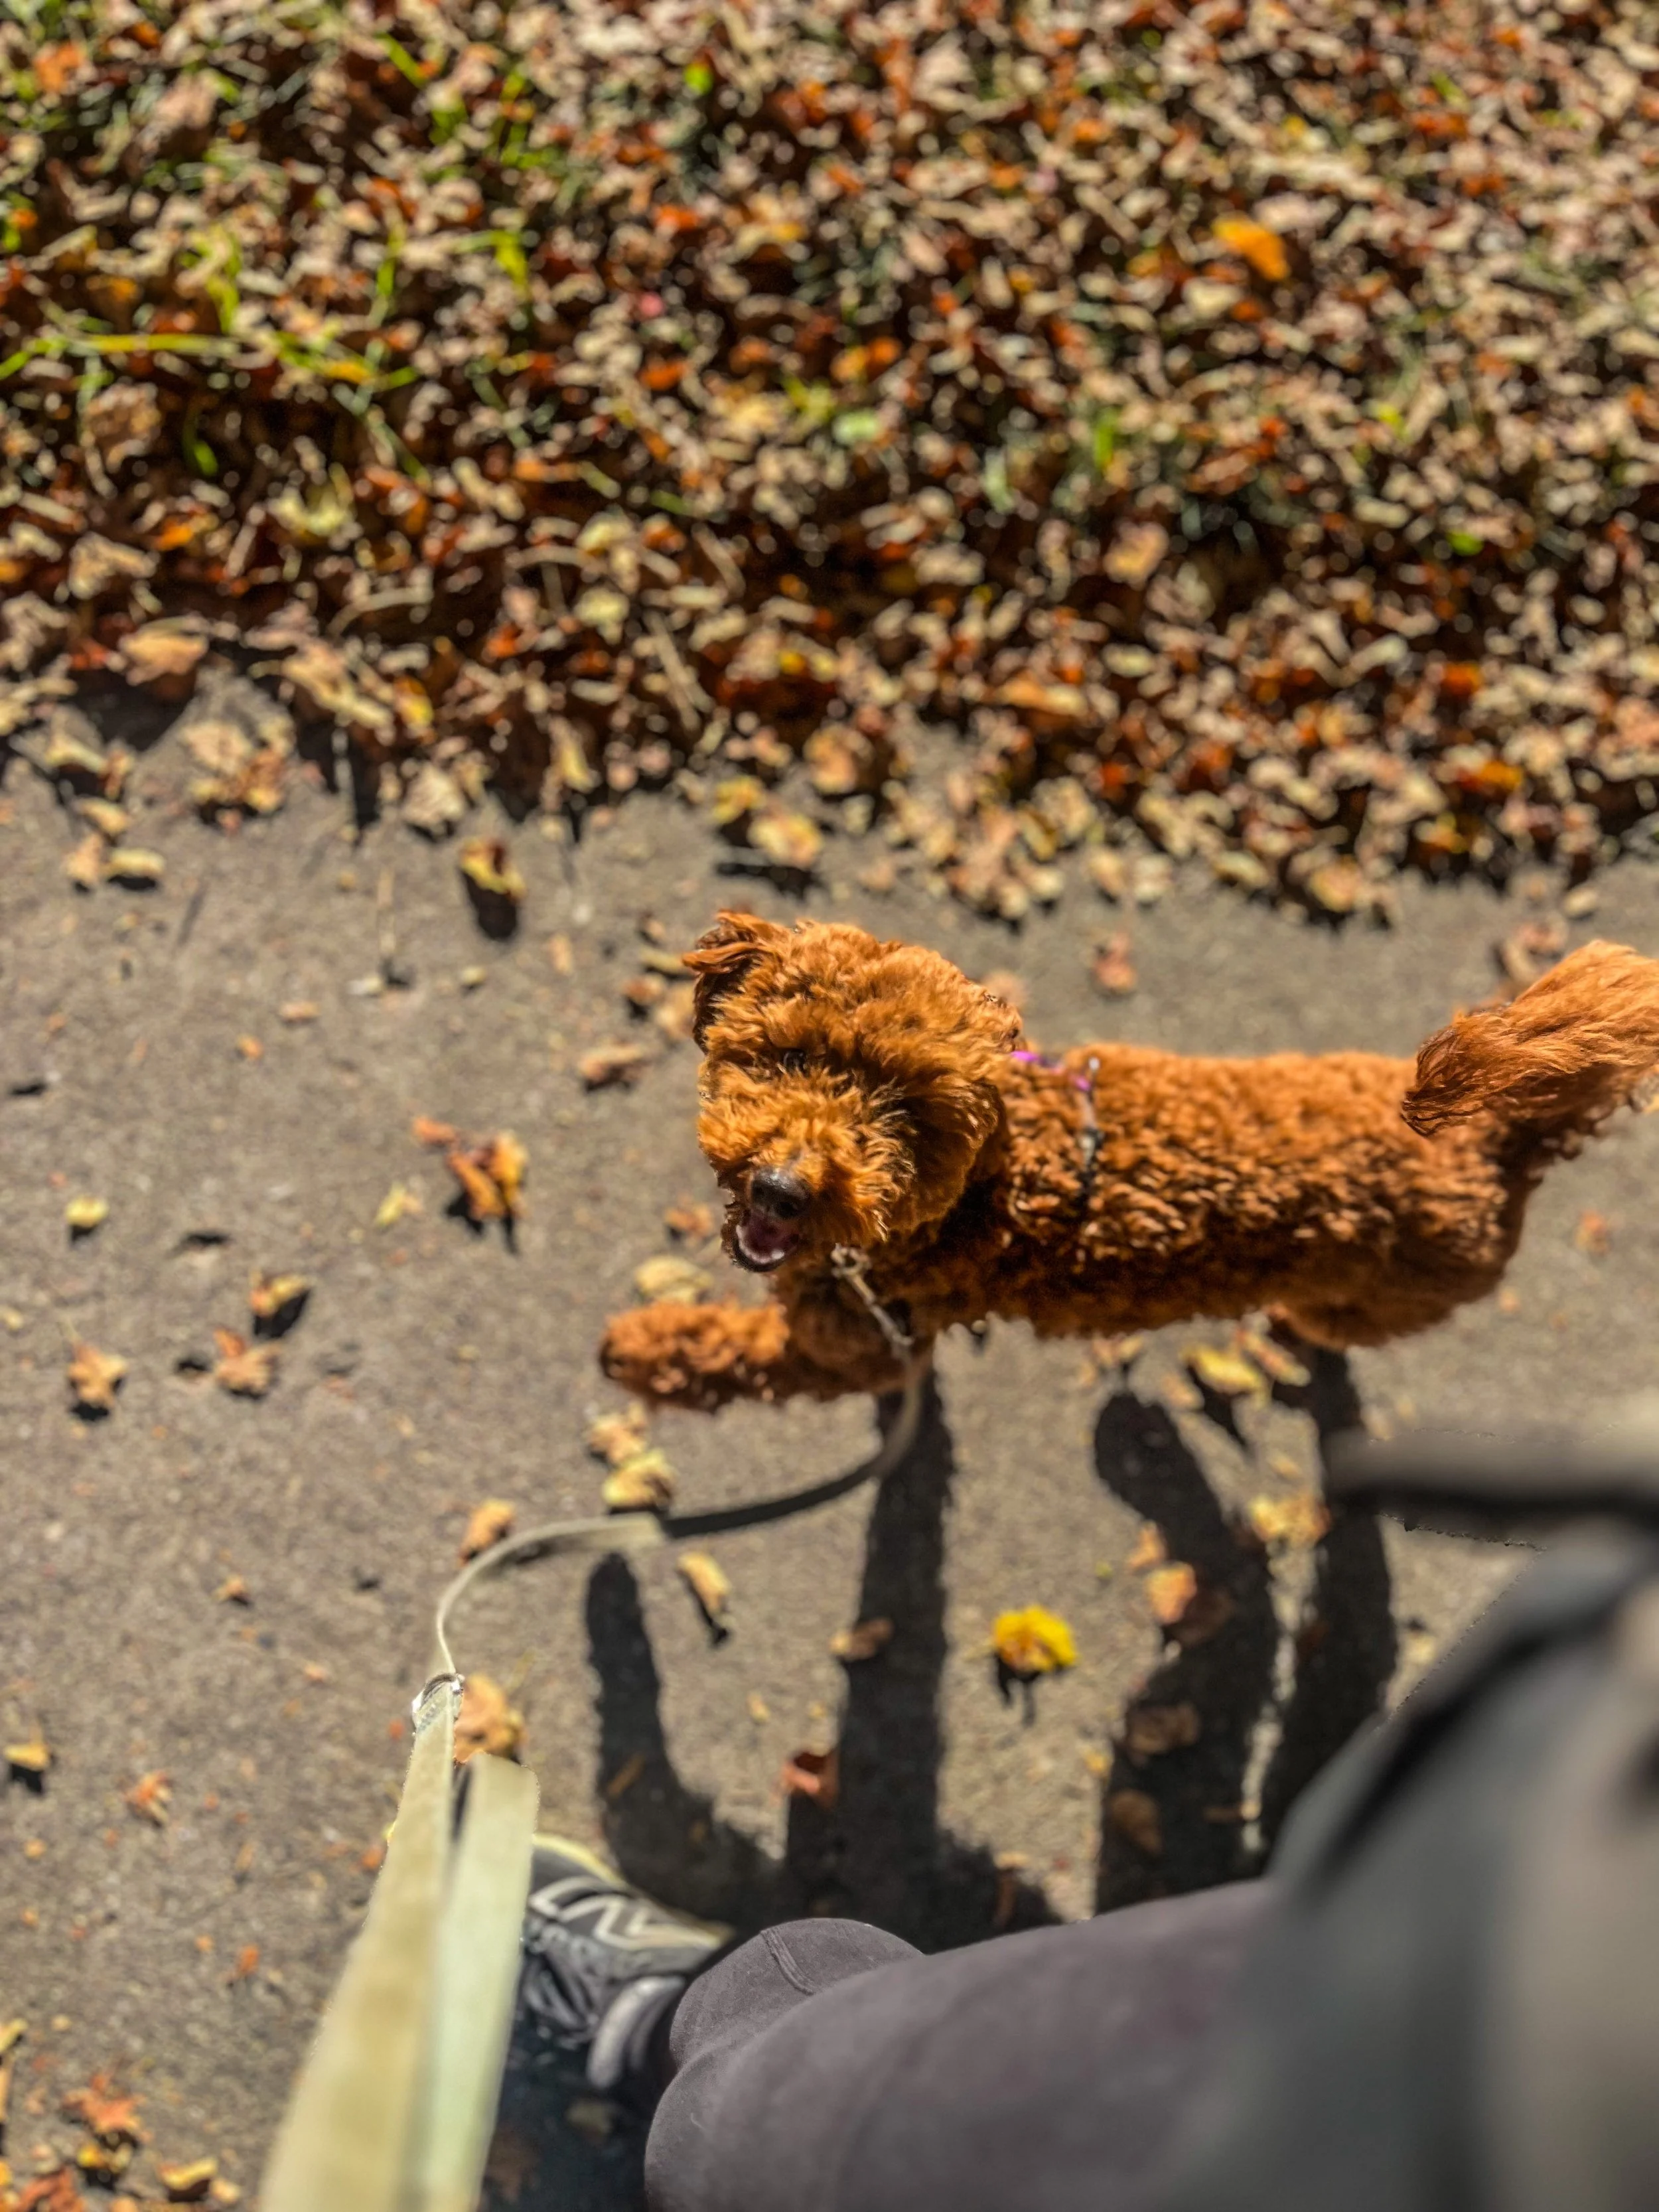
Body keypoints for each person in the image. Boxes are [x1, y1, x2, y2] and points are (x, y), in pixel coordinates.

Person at [517, 1418, 1659, 2212]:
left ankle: (662, 2052)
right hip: (1545, 1871)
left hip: (1492, 2048)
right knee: (795, 2046)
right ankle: (677, 2044)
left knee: (773, 2102)